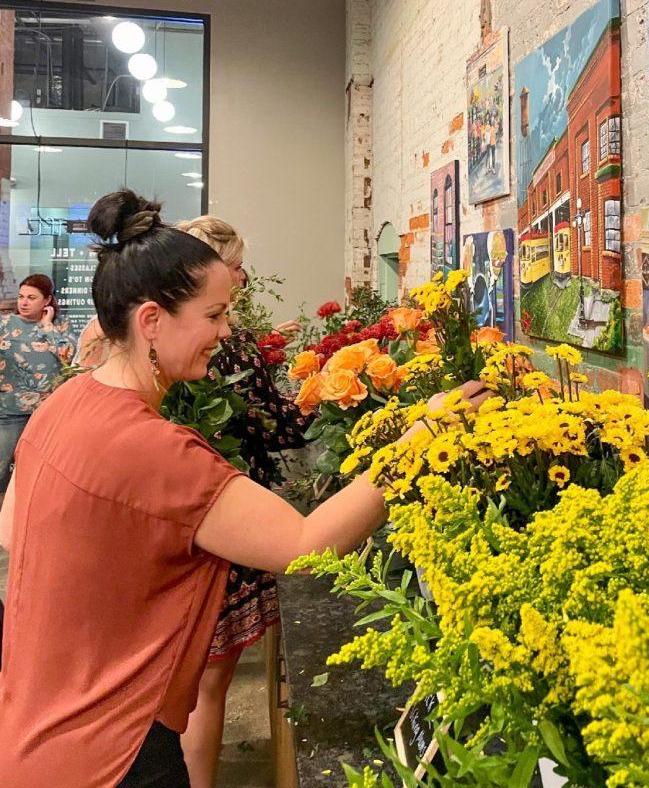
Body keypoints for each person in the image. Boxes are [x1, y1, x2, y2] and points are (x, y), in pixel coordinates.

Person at [0, 189, 489, 788]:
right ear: (151, 320)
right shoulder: (154, 449)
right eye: (213, 316)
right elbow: (304, 542)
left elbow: (11, 529)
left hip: (34, 729)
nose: (226, 331)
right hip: (112, 751)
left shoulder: (65, 404)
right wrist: (421, 438)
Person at [175, 215, 306, 788]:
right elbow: (279, 429)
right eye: (235, 272)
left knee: (186, 674)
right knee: (209, 680)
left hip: (183, 519)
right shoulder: (230, 349)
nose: (243, 282)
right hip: (227, 517)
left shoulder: (161, 346)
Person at [0, 274, 75, 496]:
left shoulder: (60, 326)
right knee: (1, 466)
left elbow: (68, 357)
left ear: (47, 300)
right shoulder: (5, 324)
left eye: (32, 297)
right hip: (10, 410)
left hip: (48, 413)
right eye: (21, 296)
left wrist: (46, 326)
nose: (23, 302)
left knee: (41, 468)